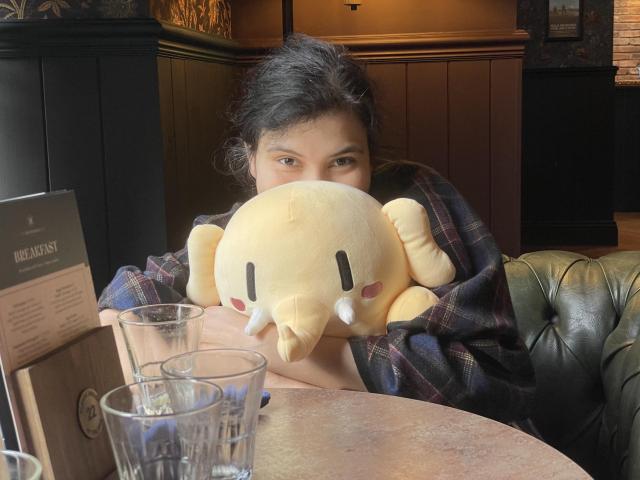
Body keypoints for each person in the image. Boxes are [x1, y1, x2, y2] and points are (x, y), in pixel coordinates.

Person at [99, 34, 535, 424]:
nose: (314, 185)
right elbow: (119, 304)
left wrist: (267, 352)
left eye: (342, 161)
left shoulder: (412, 206)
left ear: (370, 159)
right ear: (250, 159)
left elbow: (492, 375)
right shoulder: (239, 230)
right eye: (287, 161)